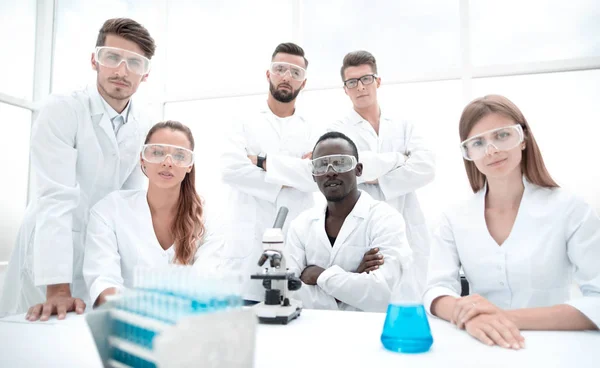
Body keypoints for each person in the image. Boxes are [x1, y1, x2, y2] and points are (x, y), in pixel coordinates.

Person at [0, 18, 156, 319]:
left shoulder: (145, 125)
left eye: (134, 63)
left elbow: (132, 205)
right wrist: (57, 288)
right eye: (112, 57)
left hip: (101, 251)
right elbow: (55, 197)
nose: (122, 71)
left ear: (145, 74)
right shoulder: (62, 109)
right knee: (37, 338)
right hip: (51, 251)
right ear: (95, 60)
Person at [424, 95, 600, 349]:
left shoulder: (570, 209)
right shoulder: (454, 218)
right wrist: (463, 315)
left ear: (524, 138)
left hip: (554, 348)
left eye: (502, 135)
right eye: (478, 142)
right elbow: (435, 290)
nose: (492, 150)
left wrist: (501, 318)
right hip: (479, 345)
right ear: (468, 153)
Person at [82, 121, 224, 307]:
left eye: (180, 155)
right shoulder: (109, 210)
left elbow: (205, 283)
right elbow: (104, 282)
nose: (167, 162)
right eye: (156, 153)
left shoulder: (209, 217)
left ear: (190, 165)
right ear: (142, 159)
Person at [328, 51, 434, 294]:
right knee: (367, 300)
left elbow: (426, 167)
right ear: (345, 89)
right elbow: (351, 170)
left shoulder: (403, 124)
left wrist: (378, 178)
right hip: (362, 226)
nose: (360, 87)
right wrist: (400, 159)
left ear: (378, 81)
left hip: (408, 222)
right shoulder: (337, 130)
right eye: (352, 82)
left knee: (412, 298)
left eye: (366, 79)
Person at [220, 43, 318, 303]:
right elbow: (231, 170)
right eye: (280, 69)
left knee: (294, 322)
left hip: (296, 243)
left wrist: (262, 162)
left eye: (295, 72)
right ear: (268, 74)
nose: (287, 76)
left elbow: (316, 177)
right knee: (244, 330)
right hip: (247, 247)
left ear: (303, 82)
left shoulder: (313, 128)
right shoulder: (242, 120)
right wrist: (291, 175)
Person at [286, 132, 412, 312]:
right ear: (314, 175)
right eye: (321, 165)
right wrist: (353, 279)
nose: (330, 172)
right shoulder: (300, 225)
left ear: (358, 169)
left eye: (340, 163)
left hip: (368, 332)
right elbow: (290, 293)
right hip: (312, 332)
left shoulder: (385, 219)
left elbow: (382, 294)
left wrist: (320, 275)